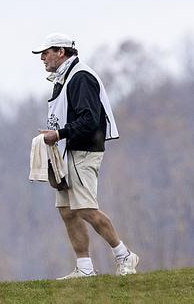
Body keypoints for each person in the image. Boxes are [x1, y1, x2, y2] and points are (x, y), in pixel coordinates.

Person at [33, 32, 139, 279]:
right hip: (68, 151)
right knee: (67, 211)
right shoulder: (66, 77)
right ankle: (85, 268)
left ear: (61, 52)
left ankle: (124, 255)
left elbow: (90, 120)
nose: (42, 58)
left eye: (46, 53)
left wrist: (59, 134)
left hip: (84, 151)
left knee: (86, 209)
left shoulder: (80, 77)